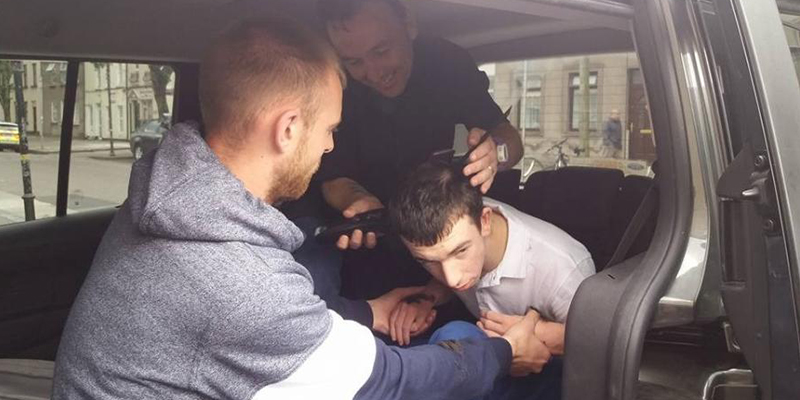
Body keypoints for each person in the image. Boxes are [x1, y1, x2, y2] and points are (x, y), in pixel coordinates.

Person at [52, 18, 544, 399]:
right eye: (329, 129)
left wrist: (367, 313)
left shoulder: (167, 196)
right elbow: (386, 382)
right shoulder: (241, 280)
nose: (329, 147)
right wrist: (502, 352)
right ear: (288, 128)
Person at [296, 0, 524, 335]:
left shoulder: (447, 64)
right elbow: (332, 177)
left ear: (409, 23)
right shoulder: (336, 84)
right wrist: (357, 203)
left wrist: (496, 153)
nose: (374, 72)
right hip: (370, 243)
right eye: (354, 62)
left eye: (381, 51)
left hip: (436, 235)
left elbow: (510, 140)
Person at [386, 161, 595, 366]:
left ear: (485, 221)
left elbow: (597, 345)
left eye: (460, 251)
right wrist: (427, 298)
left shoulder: (563, 268)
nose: (452, 279)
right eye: (429, 262)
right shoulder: (460, 220)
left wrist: (542, 333)